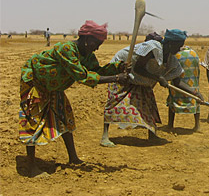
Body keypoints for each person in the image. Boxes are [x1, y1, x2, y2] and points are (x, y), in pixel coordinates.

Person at [18, 20, 128, 177]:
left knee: (64, 118)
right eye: (96, 43)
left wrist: (118, 67)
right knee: (33, 120)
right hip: (36, 82)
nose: (97, 48)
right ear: (86, 39)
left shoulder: (88, 55)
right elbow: (81, 76)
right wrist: (116, 78)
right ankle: (31, 167)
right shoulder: (67, 49)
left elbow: (97, 71)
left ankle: (73, 158)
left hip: (54, 87)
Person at [101, 29, 203, 147]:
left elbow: (178, 81)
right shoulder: (152, 47)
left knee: (148, 103)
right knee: (115, 100)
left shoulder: (171, 59)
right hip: (124, 69)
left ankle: (152, 135)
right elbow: (138, 68)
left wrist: (195, 93)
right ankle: (105, 136)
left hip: (141, 79)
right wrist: (158, 77)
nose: (180, 48)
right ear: (170, 43)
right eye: (178, 45)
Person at [167, 45, 201, 132]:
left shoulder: (176, 56)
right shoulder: (194, 54)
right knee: (195, 99)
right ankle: (197, 125)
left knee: (173, 100)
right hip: (193, 82)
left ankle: (170, 125)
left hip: (179, 82)